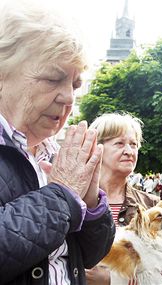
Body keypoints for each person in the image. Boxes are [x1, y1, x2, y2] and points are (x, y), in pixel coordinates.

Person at [0, 0, 115, 284]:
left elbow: (89, 256)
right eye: (53, 79)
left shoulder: (54, 153)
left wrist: (90, 204)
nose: (68, 97)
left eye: (75, 85)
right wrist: (63, 195)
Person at [85, 113, 160, 285]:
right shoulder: (77, 201)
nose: (129, 151)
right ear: (97, 148)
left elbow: (161, 272)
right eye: (119, 143)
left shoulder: (151, 206)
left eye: (133, 144)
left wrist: (112, 279)